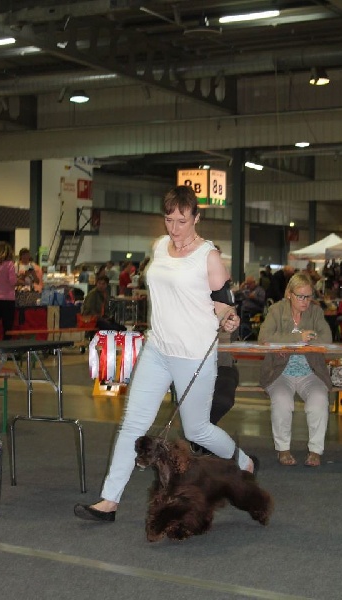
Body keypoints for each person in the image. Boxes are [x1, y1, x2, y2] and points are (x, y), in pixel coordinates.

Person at [74, 185, 256, 523]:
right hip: (157, 349)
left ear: (196, 218)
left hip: (193, 354)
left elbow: (223, 304)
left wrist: (229, 317)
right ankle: (109, 501)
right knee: (132, 424)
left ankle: (243, 461)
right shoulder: (159, 246)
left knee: (197, 430)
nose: (174, 228)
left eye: (182, 221)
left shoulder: (209, 256)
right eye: (169, 220)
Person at [258, 272, 332, 467]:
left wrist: (285, 341)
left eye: (308, 296)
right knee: (282, 401)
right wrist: (297, 339)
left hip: (311, 372)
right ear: (289, 294)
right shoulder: (276, 310)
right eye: (300, 296)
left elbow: (326, 339)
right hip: (279, 372)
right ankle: (283, 449)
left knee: (319, 401)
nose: (305, 301)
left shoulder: (316, 312)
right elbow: (264, 337)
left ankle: (315, 450)